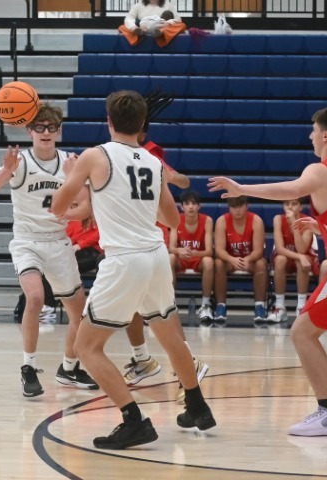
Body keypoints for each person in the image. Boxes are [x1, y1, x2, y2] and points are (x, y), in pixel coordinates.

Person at [53, 90, 215, 450]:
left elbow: (59, 207)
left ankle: (133, 421)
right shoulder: (154, 163)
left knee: (86, 347)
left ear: (108, 121)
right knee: (170, 337)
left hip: (125, 259)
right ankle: (197, 406)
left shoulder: (95, 156)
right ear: (142, 124)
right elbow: (172, 220)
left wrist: (73, 176)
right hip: (156, 256)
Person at [208, 104, 327, 436]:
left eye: (313, 131)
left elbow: (291, 190)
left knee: (302, 333)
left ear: (326, 135)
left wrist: (242, 189)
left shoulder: (321, 169)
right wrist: (322, 227)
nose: (310, 137)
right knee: (307, 332)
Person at [0, 104, 98, 398]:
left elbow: (86, 208)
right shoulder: (20, 162)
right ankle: (29, 367)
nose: (46, 132)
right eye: (40, 127)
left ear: (59, 131)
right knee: (35, 297)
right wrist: (6, 172)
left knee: (80, 314)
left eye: (51, 127)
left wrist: (67, 204)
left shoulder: (70, 163)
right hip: (27, 241)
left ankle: (69, 369)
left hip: (58, 242)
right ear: (29, 131)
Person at [122, 91, 208, 404]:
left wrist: (172, 177)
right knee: (142, 309)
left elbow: (182, 182)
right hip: (131, 240)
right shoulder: (119, 154)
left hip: (146, 239)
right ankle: (144, 359)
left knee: (160, 312)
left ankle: (184, 366)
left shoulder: (150, 155)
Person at [213, 196, 268, 322]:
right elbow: (219, 250)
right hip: (230, 261)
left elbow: (258, 251)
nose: (237, 210)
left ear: (247, 206)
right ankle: (221, 306)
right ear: (229, 207)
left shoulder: (256, 220)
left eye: (240, 206)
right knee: (218, 263)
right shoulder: (222, 221)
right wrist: (232, 259)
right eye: (233, 206)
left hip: (250, 260)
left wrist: (247, 259)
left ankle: (259, 306)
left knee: (261, 264)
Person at [266, 198, 320, 322]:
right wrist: (300, 256)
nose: (290, 207)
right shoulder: (278, 219)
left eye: (294, 203)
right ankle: (280, 307)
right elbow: (280, 249)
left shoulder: (307, 221)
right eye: (286, 203)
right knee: (280, 260)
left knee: (301, 262)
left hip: (305, 258)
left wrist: (294, 224)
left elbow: (302, 249)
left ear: (301, 207)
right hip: (289, 257)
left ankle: (301, 307)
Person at [169, 190, 215, 322]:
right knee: (170, 258)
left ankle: (205, 305)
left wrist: (195, 253)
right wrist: (179, 251)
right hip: (182, 259)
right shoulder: (175, 219)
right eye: (187, 203)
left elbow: (209, 251)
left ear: (199, 206)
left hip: (198, 259)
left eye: (194, 203)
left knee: (209, 261)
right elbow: (171, 248)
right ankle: (169, 304)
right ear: (181, 207)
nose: (190, 207)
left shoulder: (207, 220)